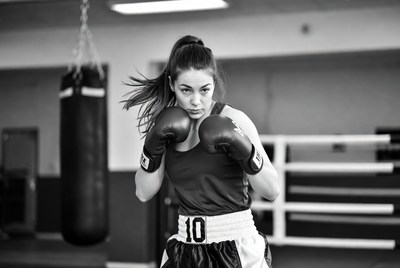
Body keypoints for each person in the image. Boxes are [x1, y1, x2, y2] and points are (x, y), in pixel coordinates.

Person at [122, 35, 280, 268]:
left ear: (214, 83)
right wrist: (152, 146)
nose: (196, 101)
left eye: (204, 90)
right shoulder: (166, 127)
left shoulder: (234, 119)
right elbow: (144, 192)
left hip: (236, 246)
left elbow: (272, 190)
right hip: (186, 249)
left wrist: (244, 149)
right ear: (171, 84)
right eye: (186, 90)